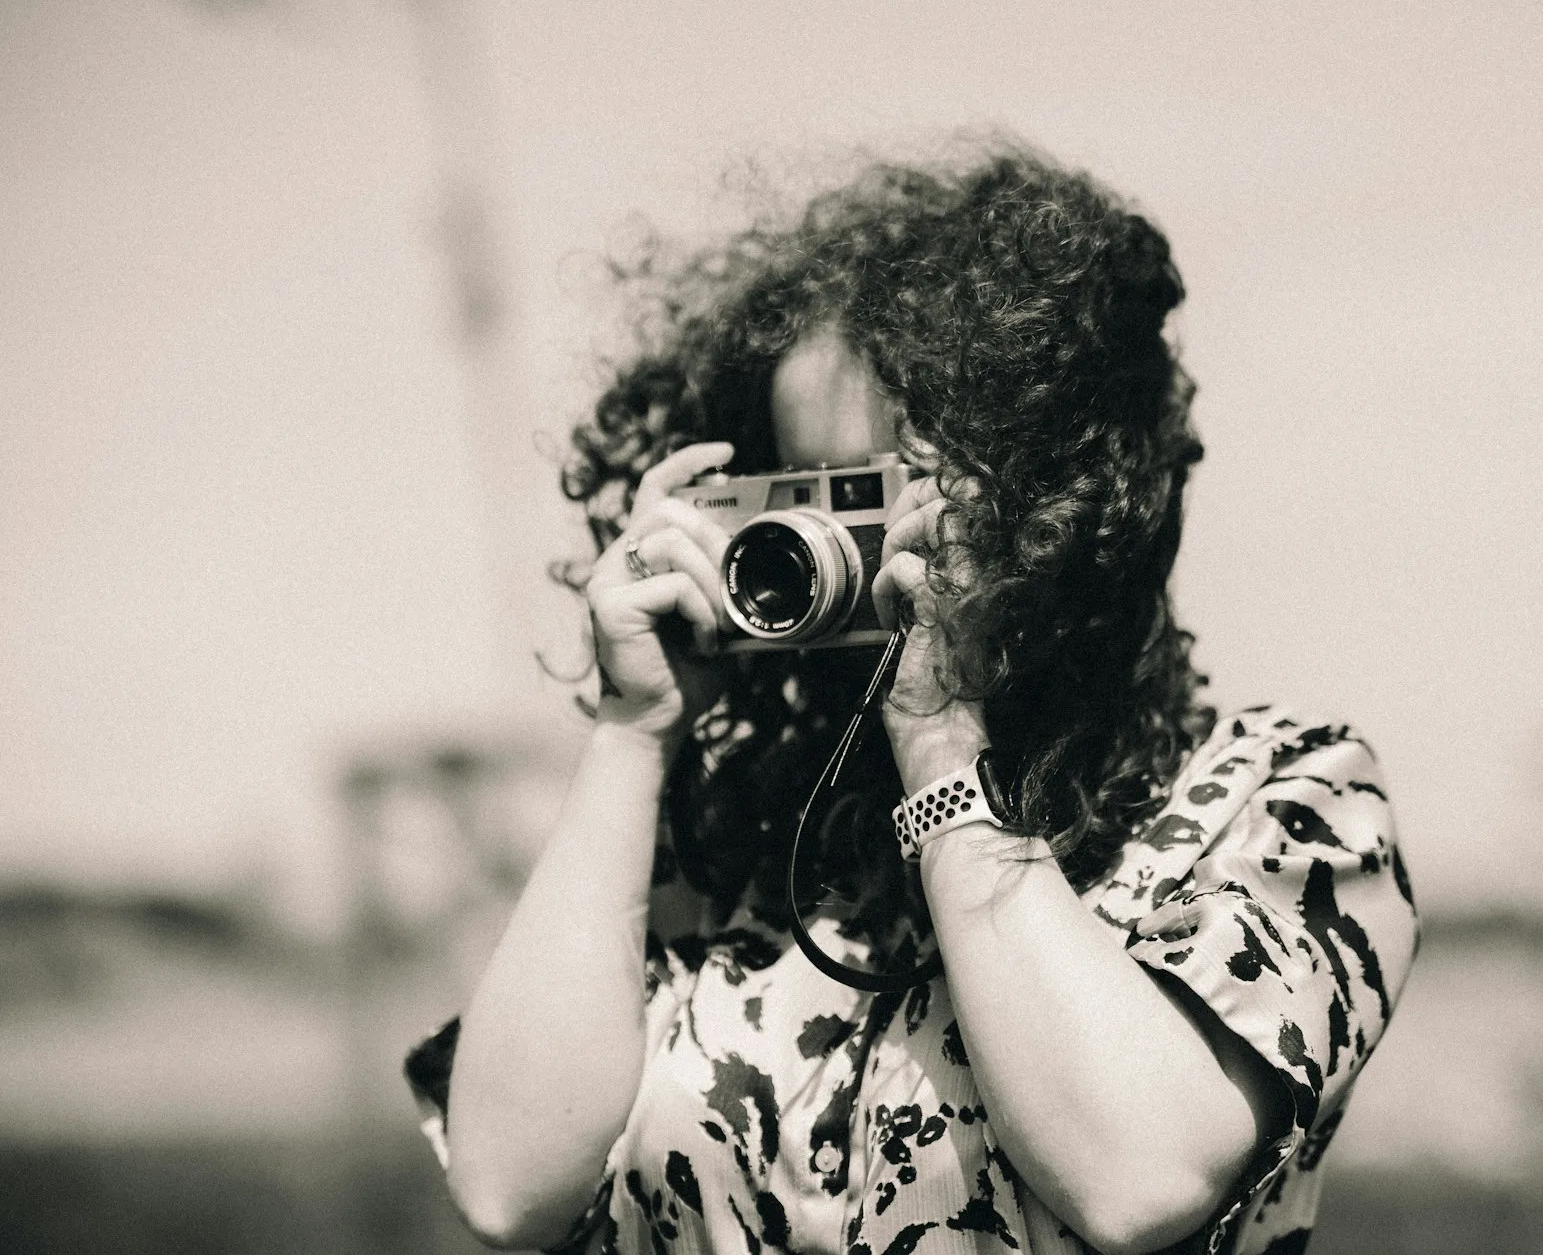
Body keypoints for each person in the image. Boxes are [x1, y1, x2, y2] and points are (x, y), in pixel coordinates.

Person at [405, 147, 1419, 1255]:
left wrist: (940, 743)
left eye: (886, 498)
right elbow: (508, 1183)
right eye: (804, 494)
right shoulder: (738, 835)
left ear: (1066, 508)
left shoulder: (1281, 801)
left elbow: (1138, 1176)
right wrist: (637, 729)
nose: (833, 550)